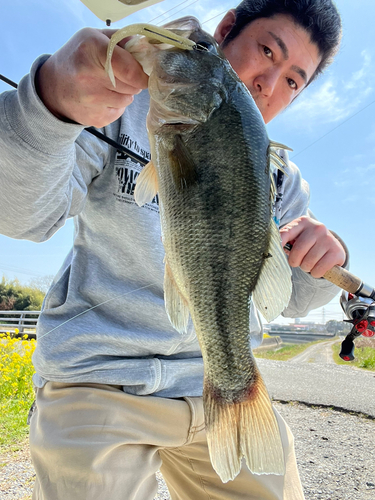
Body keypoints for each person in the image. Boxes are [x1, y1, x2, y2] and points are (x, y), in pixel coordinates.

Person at [0, 0, 346, 498]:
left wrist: (324, 262)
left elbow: (289, 298)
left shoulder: (282, 180)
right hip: (97, 379)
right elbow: (20, 217)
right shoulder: (113, 106)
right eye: (267, 51)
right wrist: (49, 107)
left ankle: (233, 392)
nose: (271, 84)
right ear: (227, 30)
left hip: (216, 388)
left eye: (294, 80)